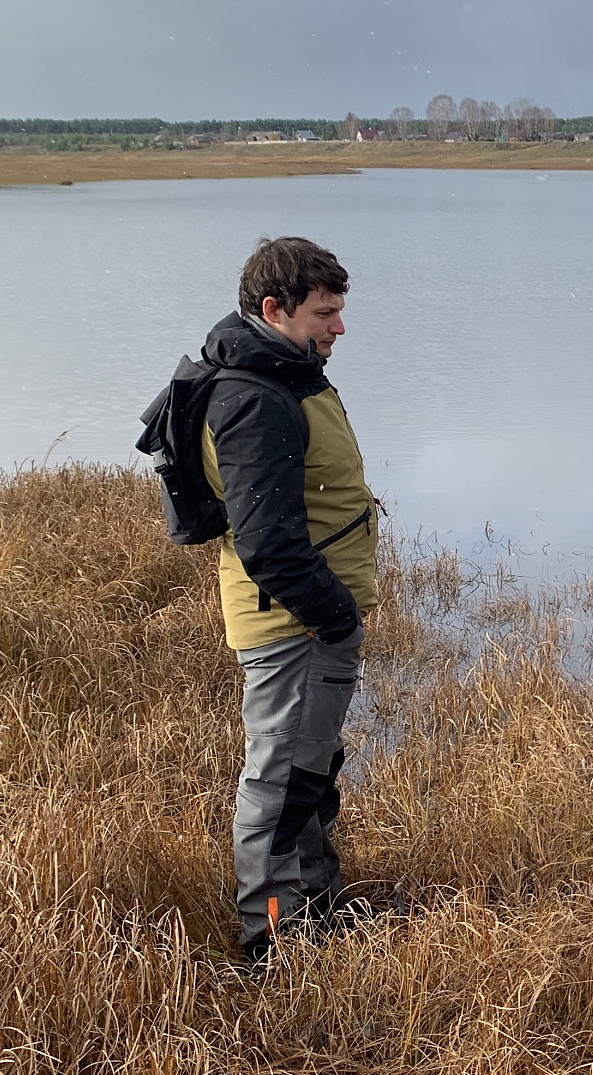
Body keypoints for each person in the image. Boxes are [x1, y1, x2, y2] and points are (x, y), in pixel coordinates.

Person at [199, 237, 378, 964]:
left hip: (304, 621)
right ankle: (274, 944)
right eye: (325, 314)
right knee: (278, 783)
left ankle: (321, 913)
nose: (339, 328)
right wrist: (334, 615)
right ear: (273, 310)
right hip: (294, 626)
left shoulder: (280, 371)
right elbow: (269, 540)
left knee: (308, 770)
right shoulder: (254, 397)